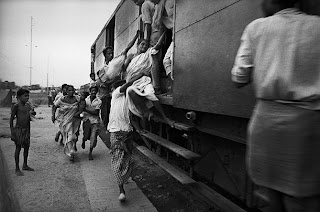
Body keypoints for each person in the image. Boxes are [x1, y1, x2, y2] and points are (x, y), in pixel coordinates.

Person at [231, 0, 320, 211]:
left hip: (266, 123)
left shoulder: (256, 28)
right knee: (305, 199)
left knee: (272, 197)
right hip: (307, 124)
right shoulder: (317, 25)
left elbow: (238, 77)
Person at [107, 79, 134, 202]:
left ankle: (123, 179)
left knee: (128, 159)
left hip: (128, 132)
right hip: (116, 132)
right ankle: (121, 190)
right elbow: (126, 85)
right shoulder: (116, 93)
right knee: (117, 161)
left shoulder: (128, 98)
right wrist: (138, 75)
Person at [10, 88, 36, 176]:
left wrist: (33, 113)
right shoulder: (16, 106)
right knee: (18, 148)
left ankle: (25, 165)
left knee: (26, 147)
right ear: (19, 97)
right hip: (19, 129)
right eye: (25, 96)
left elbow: (29, 116)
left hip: (27, 129)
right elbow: (11, 119)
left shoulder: (28, 105)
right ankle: (17, 168)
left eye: (28, 96)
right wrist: (12, 131)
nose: (27, 98)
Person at [52, 85, 80, 161]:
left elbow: (82, 105)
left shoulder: (77, 99)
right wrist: (53, 116)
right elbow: (54, 106)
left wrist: (80, 113)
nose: (71, 92)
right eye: (69, 90)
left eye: (72, 90)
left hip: (75, 121)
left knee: (74, 136)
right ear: (66, 91)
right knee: (69, 136)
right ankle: (71, 153)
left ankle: (72, 149)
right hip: (65, 121)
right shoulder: (62, 99)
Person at [82, 85, 102, 160]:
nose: (93, 92)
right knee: (86, 135)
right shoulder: (85, 99)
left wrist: (85, 110)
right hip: (86, 120)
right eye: (92, 91)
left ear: (96, 92)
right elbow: (81, 106)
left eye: (95, 91)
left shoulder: (99, 101)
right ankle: (83, 140)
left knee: (93, 138)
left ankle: (90, 152)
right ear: (90, 92)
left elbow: (96, 113)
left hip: (95, 121)